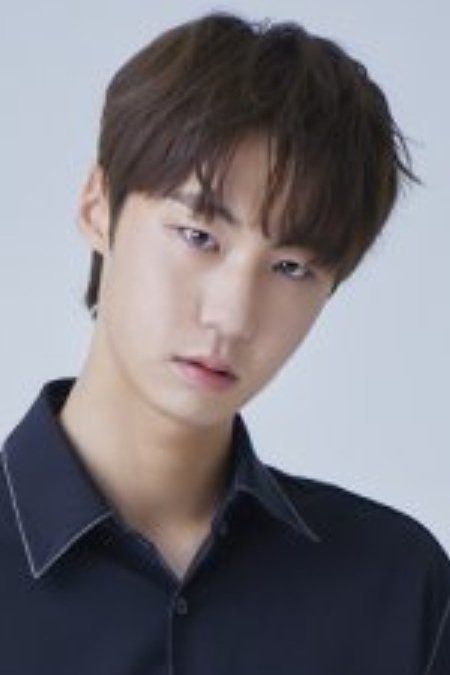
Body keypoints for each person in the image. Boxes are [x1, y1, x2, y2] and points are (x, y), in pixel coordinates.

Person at [1, 11, 448, 675]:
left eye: (290, 267)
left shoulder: (397, 584)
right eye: (198, 236)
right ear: (98, 205)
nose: (233, 315)